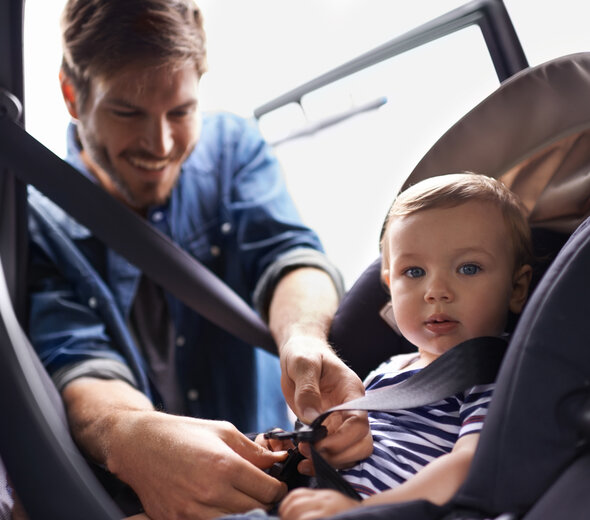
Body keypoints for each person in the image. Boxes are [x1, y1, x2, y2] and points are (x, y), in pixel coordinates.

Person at [26, 0, 371, 518]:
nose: (160, 143)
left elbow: (290, 256)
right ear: (73, 96)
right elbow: (78, 362)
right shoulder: (36, 221)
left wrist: (303, 338)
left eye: (182, 112)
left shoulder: (233, 148)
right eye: (128, 112)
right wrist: (138, 441)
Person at [276, 173, 534, 519]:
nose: (436, 290)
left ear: (517, 288)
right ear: (389, 285)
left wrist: (363, 511)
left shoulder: (496, 374)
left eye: (468, 268)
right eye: (414, 272)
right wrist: (305, 448)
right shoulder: (388, 370)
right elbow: (356, 445)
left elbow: (469, 465)